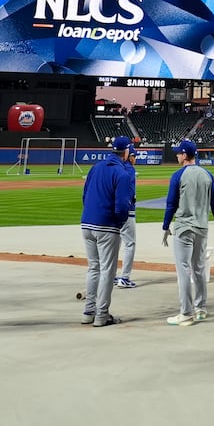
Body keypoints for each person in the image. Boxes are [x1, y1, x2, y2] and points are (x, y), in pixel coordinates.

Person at [162, 139, 214, 325]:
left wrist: (166, 227)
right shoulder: (207, 174)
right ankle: (201, 308)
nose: (176, 155)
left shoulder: (178, 175)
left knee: (183, 270)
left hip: (183, 227)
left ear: (184, 155)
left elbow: (171, 204)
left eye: (178, 153)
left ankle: (186, 313)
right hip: (201, 227)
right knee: (198, 269)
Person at [80, 135, 135, 327]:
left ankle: (88, 312)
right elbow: (122, 206)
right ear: (126, 152)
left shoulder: (95, 168)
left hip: (87, 224)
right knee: (107, 272)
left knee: (93, 268)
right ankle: (102, 316)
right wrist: (119, 223)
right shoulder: (123, 174)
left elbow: (85, 196)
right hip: (106, 226)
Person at [115, 147, 139, 289]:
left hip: (113, 212)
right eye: (134, 156)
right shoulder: (129, 169)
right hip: (127, 211)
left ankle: (111, 275)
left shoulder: (116, 168)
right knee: (129, 244)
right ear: (129, 156)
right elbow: (129, 192)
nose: (135, 159)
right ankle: (124, 277)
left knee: (115, 244)